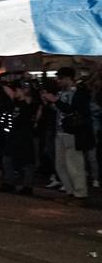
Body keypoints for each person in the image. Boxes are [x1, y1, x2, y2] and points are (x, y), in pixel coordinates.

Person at [43, 68, 94, 206]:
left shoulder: (78, 92)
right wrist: (50, 102)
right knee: (61, 165)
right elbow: (59, 110)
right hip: (60, 132)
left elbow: (73, 110)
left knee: (74, 164)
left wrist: (55, 101)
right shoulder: (61, 92)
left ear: (68, 78)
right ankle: (70, 192)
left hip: (73, 132)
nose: (58, 81)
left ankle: (80, 194)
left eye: (60, 78)